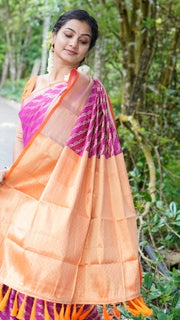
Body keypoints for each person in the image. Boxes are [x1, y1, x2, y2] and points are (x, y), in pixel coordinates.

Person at [0, 9, 153, 320]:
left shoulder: (89, 93)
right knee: (16, 264)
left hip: (63, 199)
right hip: (26, 194)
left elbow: (91, 155)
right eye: (68, 35)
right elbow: (21, 135)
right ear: (54, 36)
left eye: (83, 41)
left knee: (52, 268)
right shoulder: (33, 85)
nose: (73, 44)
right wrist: (16, 174)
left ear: (87, 50)